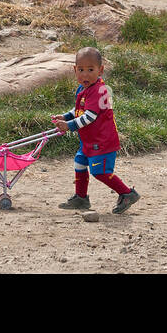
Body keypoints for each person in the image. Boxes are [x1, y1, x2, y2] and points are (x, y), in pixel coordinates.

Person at [51, 45, 140, 214]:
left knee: (100, 172)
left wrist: (69, 126)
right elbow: (79, 110)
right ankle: (81, 198)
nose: (85, 74)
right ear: (75, 70)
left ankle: (127, 193)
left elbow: (90, 116)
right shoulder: (84, 88)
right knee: (80, 163)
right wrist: (66, 116)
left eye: (90, 69)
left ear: (100, 70)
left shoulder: (100, 90)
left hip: (102, 141)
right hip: (89, 140)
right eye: (81, 70)